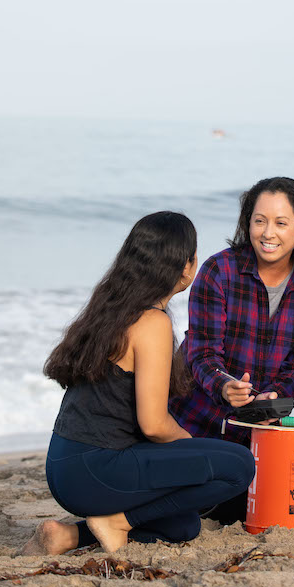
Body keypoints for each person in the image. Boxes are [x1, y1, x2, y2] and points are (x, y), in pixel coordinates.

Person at [21, 212, 255, 555]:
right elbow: (155, 425)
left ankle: (68, 536)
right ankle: (118, 522)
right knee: (238, 465)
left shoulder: (110, 308)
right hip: (94, 467)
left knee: (181, 526)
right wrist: (192, 447)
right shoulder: (152, 322)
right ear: (186, 267)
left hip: (64, 465)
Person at [168, 177, 294, 523]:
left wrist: (275, 395)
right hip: (196, 423)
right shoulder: (218, 271)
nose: (268, 233)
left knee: (251, 508)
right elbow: (202, 353)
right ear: (247, 221)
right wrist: (224, 384)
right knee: (186, 512)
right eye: (259, 220)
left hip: (262, 436)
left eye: (281, 223)